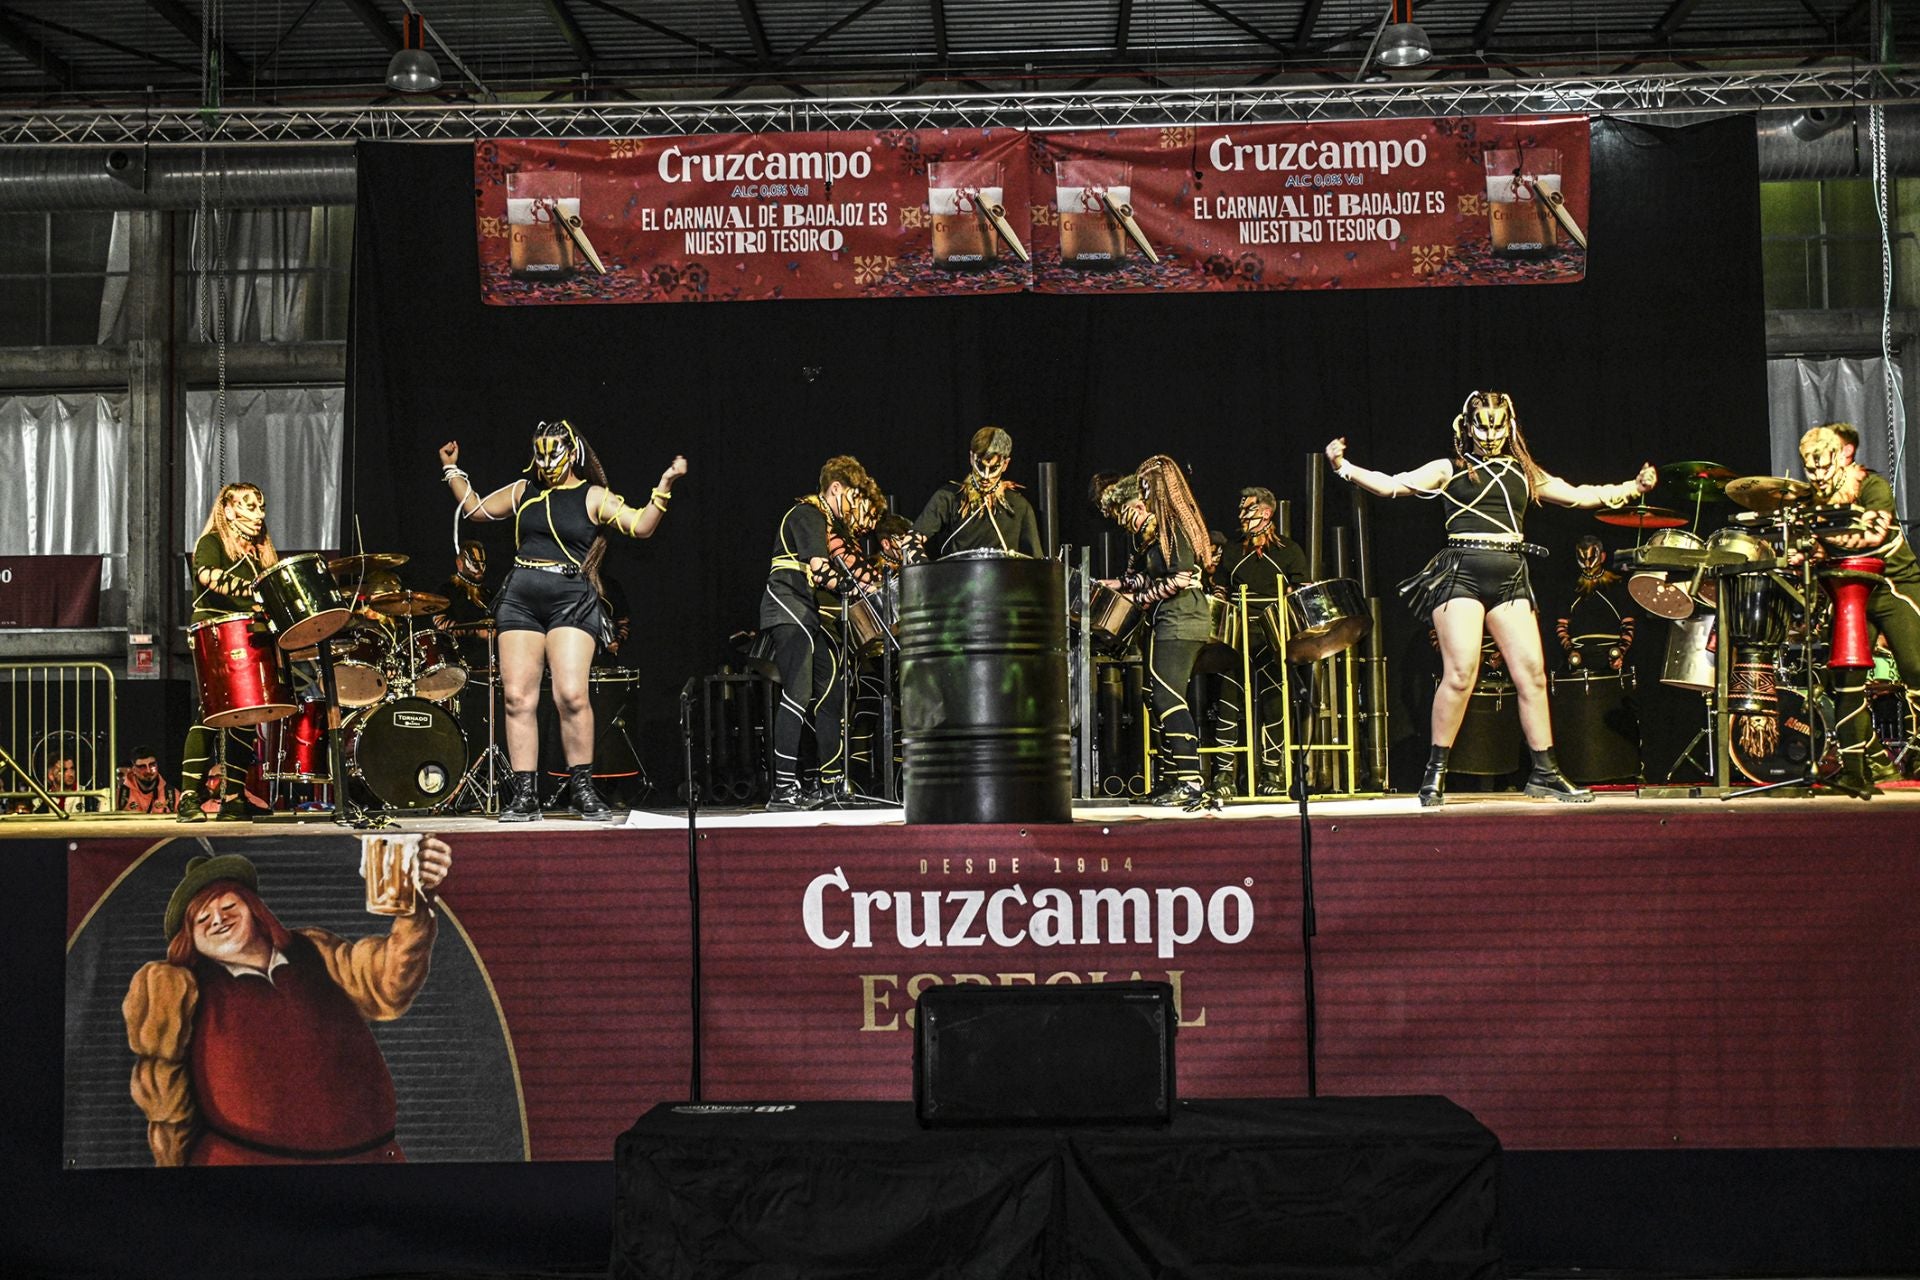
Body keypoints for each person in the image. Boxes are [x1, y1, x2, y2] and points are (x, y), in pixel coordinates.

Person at [1325, 389, 1656, 806]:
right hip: (1461, 573)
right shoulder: (1449, 468)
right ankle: (1435, 771)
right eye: (1482, 424)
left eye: (1498, 425)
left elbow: (1578, 495)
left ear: (1510, 425)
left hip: (1511, 575)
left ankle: (1545, 772)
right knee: (1461, 672)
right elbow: (1393, 486)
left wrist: (1632, 487)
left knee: (1532, 674)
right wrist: (1343, 467)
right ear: (1467, 426)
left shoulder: (1524, 471)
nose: (1490, 433)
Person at [121, 842, 451, 1165]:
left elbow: (388, 983)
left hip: (371, 1163)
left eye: (228, 907)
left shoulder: (314, 951)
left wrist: (416, 898)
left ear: (254, 908)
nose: (217, 920)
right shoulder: (183, 991)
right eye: (201, 919)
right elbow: (166, 1103)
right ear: (189, 939)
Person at [438, 422, 687, 821]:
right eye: (540, 454)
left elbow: (641, 525)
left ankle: (583, 788)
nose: (546, 463)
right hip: (520, 596)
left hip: (570, 598)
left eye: (554, 454)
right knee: (518, 697)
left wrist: (665, 484)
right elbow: (477, 509)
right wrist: (453, 469)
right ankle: (525, 795)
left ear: (572, 453)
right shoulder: (524, 490)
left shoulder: (591, 495)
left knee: (571, 695)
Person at [1798, 422, 1920, 796]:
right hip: (1848, 594)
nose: (1818, 475)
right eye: (1810, 468)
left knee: (1917, 666)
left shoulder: (1871, 485)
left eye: (1824, 466)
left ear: (1841, 456)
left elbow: (1872, 535)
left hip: (1892, 586)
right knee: (1845, 680)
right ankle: (1858, 768)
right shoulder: (1811, 500)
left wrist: (1819, 533)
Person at [760, 456, 885, 811]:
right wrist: (850, 584)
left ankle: (829, 782)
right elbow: (818, 567)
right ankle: (783, 788)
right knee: (796, 695)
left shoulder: (821, 518)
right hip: (787, 608)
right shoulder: (808, 513)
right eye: (852, 496)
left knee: (830, 689)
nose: (852, 507)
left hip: (804, 611)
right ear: (835, 489)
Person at [1097, 456, 1215, 810]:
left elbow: (1180, 578)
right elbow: (1145, 577)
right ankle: (1171, 779)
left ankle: (1191, 782)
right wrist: (1111, 584)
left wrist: (1143, 599)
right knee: (1153, 695)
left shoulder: (1174, 527)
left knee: (1167, 697)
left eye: (1128, 510)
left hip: (1182, 618)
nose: (1126, 519)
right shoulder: (1151, 538)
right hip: (1168, 618)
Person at [177, 483, 278, 823]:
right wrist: (252, 590)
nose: (259, 514)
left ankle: (233, 796)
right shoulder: (213, 542)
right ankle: (189, 796)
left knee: (247, 715)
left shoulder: (259, 555)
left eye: (261, 507)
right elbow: (207, 575)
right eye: (250, 506)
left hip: (249, 633)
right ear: (231, 509)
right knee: (212, 711)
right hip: (217, 632)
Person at [1212, 487, 1312, 798]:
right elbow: (1220, 592)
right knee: (1228, 700)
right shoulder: (1232, 551)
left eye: (1248, 510)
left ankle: (1273, 769)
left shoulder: (1289, 550)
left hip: (1273, 634)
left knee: (1274, 699)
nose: (1241, 516)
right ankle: (1224, 773)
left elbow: (1301, 593)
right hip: (1238, 634)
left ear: (1266, 514)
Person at [912, 426, 1044, 559]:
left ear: (1005, 464)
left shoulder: (1019, 506)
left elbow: (1036, 563)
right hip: (955, 578)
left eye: (994, 468)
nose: (986, 476)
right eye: (981, 466)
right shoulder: (949, 497)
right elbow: (911, 540)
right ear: (971, 457)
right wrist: (926, 574)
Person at [119, 745, 180, 814]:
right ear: (134, 770)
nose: (148, 771)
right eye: (142, 767)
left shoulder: (172, 795)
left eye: (152, 765)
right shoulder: (120, 795)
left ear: (157, 765)